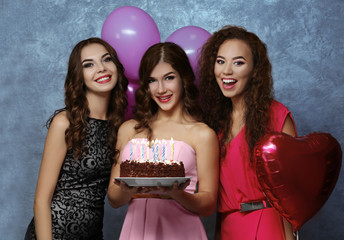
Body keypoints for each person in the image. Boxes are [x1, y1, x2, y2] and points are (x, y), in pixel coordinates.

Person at [107, 42, 219, 240]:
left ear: (184, 79)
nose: (161, 89)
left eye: (169, 78)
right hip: (136, 230)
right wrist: (128, 190)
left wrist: (176, 194)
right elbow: (114, 199)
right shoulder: (129, 130)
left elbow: (209, 205)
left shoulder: (202, 134)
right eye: (152, 80)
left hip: (182, 231)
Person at [198, 26, 298, 240]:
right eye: (220, 61)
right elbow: (218, 199)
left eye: (238, 62)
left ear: (255, 70)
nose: (226, 71)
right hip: (228, 228)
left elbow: (291, 196)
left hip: (267, 226)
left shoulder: (278, 116)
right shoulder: (214, 125)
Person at [24, 37, 128, 240]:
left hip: (93, 234)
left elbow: (114, 197)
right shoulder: (65, 122)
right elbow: (41, 200)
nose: (101, 68)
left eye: (106, 60)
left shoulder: (119, 127)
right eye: (89, 65)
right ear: (78, 76)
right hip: (53, 233)